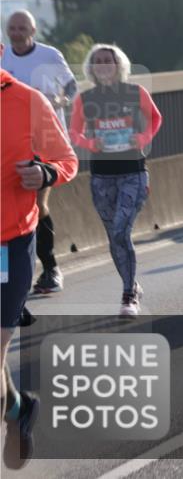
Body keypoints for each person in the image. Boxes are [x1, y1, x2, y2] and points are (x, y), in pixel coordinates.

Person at [2, 43, 79, 469]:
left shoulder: (28, 102)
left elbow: (66, 159)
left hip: (9, 244)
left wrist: (45, 173)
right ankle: (18, 410)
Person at [68, 44, 162, 316]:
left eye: (108, 60)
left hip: (133, 173)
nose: (103, 65)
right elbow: (74, 132)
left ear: (119, 64)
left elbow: (155, 118)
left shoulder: (135, 93)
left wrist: (143, 138)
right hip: (101, 177)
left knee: (121, 230)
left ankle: (128, 295)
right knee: (114, 236)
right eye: (97, 61)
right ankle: (131, 282)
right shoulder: (85, 100)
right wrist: (89, 142)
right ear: (91, 68)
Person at [1, 10, 77, 295]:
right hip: (10, 145)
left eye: (22, 28)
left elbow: (71, 84)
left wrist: (60, 100)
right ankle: (10, 285)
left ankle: (50, 267)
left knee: (37, 205)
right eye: (12, 28)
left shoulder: (49, 55)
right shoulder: (4, 56)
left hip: (43, 143)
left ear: (32, 31)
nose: (17, 33)